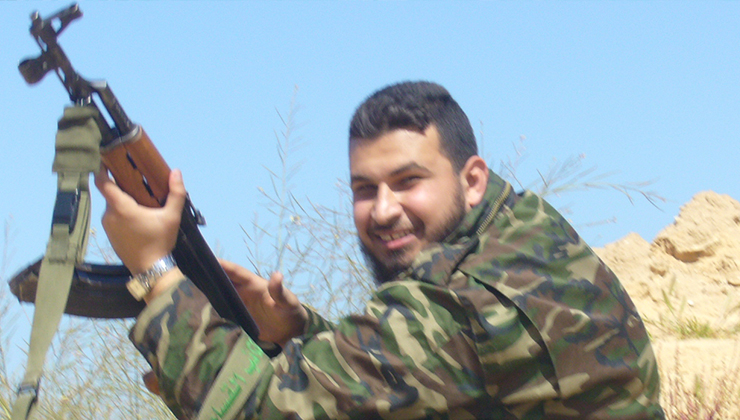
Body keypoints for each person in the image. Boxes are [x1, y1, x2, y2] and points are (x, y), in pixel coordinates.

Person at [96, 81, 665, 419]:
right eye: (365, 189)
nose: (384, 209)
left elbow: (261, 410)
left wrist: (155, 271)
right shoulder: (520, 226)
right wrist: (298, 330)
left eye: (408, 181)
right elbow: (422, 373)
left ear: (471, 179)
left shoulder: (458, 302)